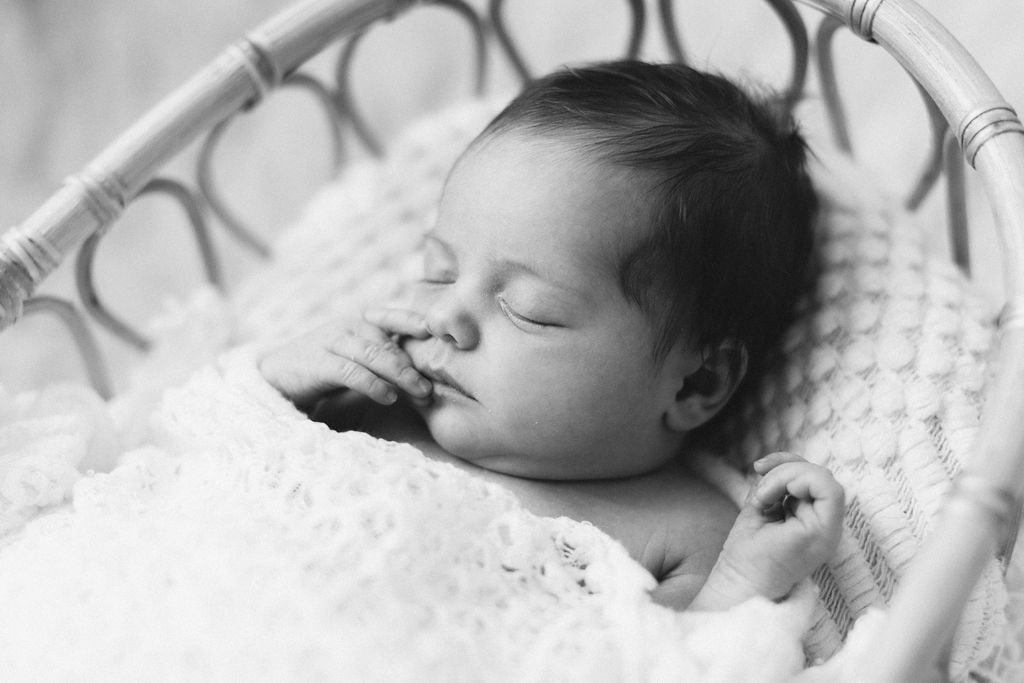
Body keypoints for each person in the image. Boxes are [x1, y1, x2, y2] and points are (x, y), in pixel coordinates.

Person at [258, 60, 843, 611]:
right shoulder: (365, 397)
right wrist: (273, 384)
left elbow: (690, 663)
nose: (444, 317)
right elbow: (204, 449)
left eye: (528, 310)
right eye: (439, 271)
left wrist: (743, 587)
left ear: (697, 381)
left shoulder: (683, 535)